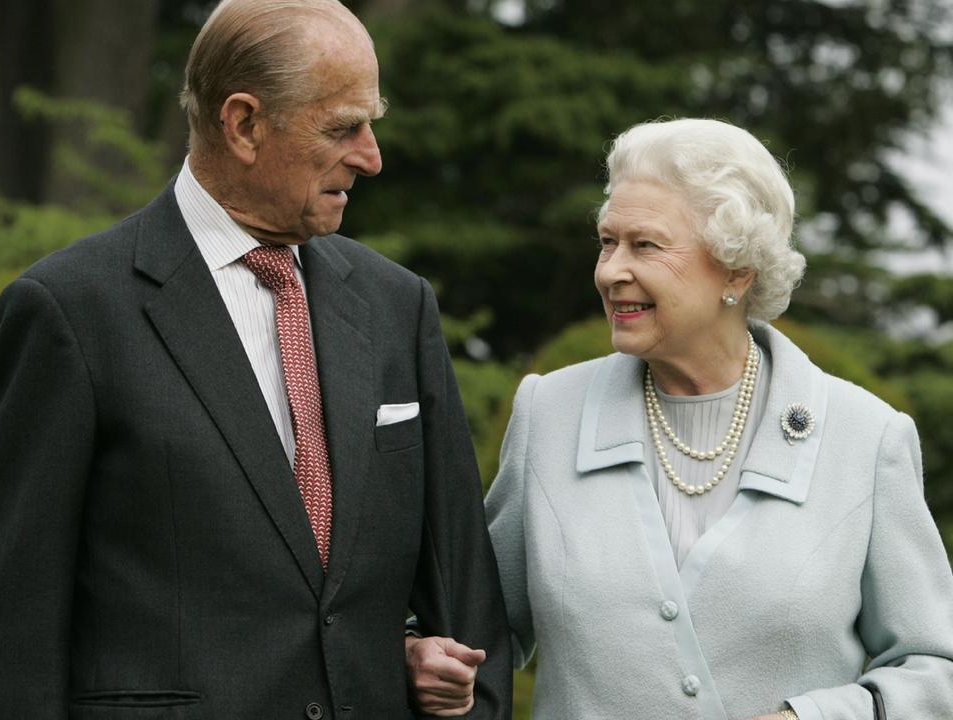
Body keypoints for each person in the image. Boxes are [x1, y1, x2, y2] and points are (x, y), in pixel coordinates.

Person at [0, 0, 511, 719]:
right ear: (244, 124)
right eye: (342, 128)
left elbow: (464, 600)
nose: (372, 158)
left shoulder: (397, 306)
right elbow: (12, 632)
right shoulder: (69, 311)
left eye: (371, 124)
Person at [406, 118, 953, 719]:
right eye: (606, 242)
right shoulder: (549, 414)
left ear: (737, 271)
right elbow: (475, 627)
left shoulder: (865, 437)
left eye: (645, 246)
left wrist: (813, 718)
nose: (611, 271)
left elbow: (935, 672)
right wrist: (426, 656)